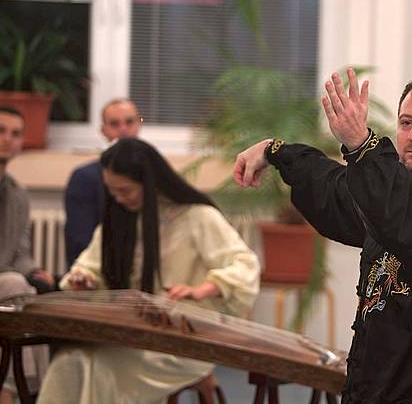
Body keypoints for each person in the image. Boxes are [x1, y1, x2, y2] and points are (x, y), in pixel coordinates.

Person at [234, 68, 412, 403]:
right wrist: (276, 151)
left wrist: (361, 144)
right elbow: (335, 187)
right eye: (406, 122)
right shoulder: (385, 199)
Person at [37, 138, 260, 404]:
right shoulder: (119, 218)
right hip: (131, 334)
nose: (118, 198)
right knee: (69, 361)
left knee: (102, 367)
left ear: (150, 181)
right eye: (113, 192)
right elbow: (88, 266)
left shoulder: (197, 217)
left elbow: (245, 264)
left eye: (126, 190)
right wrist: (84, 280)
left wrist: (203, 288)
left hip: (185, 341)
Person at [0, 105, 54, 404]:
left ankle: (27, 391)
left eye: (16, 134)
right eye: (1, 131)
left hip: (5, 286)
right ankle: (16, 392)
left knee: (30, 294)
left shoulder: (18, 194)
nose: (8, 139)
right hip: (4, 284)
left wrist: (34, 270)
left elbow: (21, 250)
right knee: (14, 287)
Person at [64, 98, 143, 267]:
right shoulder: (84, 178)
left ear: (139, 125)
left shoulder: (153, 174)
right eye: (115, 124)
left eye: (129, 122)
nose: (123, 130)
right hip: (102, 268)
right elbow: (80, 241)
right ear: (103, 130)